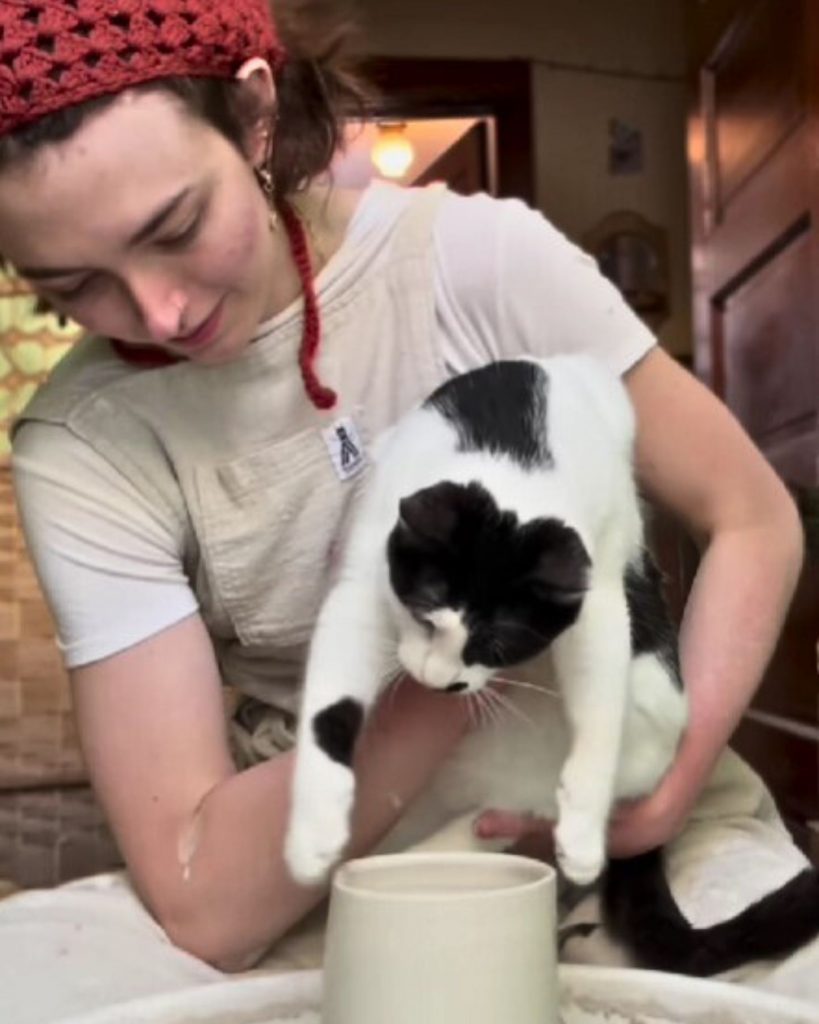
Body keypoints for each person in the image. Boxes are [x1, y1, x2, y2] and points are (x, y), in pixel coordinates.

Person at [0, 0, 812, 1017]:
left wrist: (661, 792)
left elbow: (751, 516)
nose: (158, 313)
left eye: (176, 227)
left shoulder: (476, 264)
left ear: (254, 114)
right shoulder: (84, 446)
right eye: (75, 286)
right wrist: (455, 657)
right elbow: (202, 894)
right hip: (322, 845)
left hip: (611, 793)